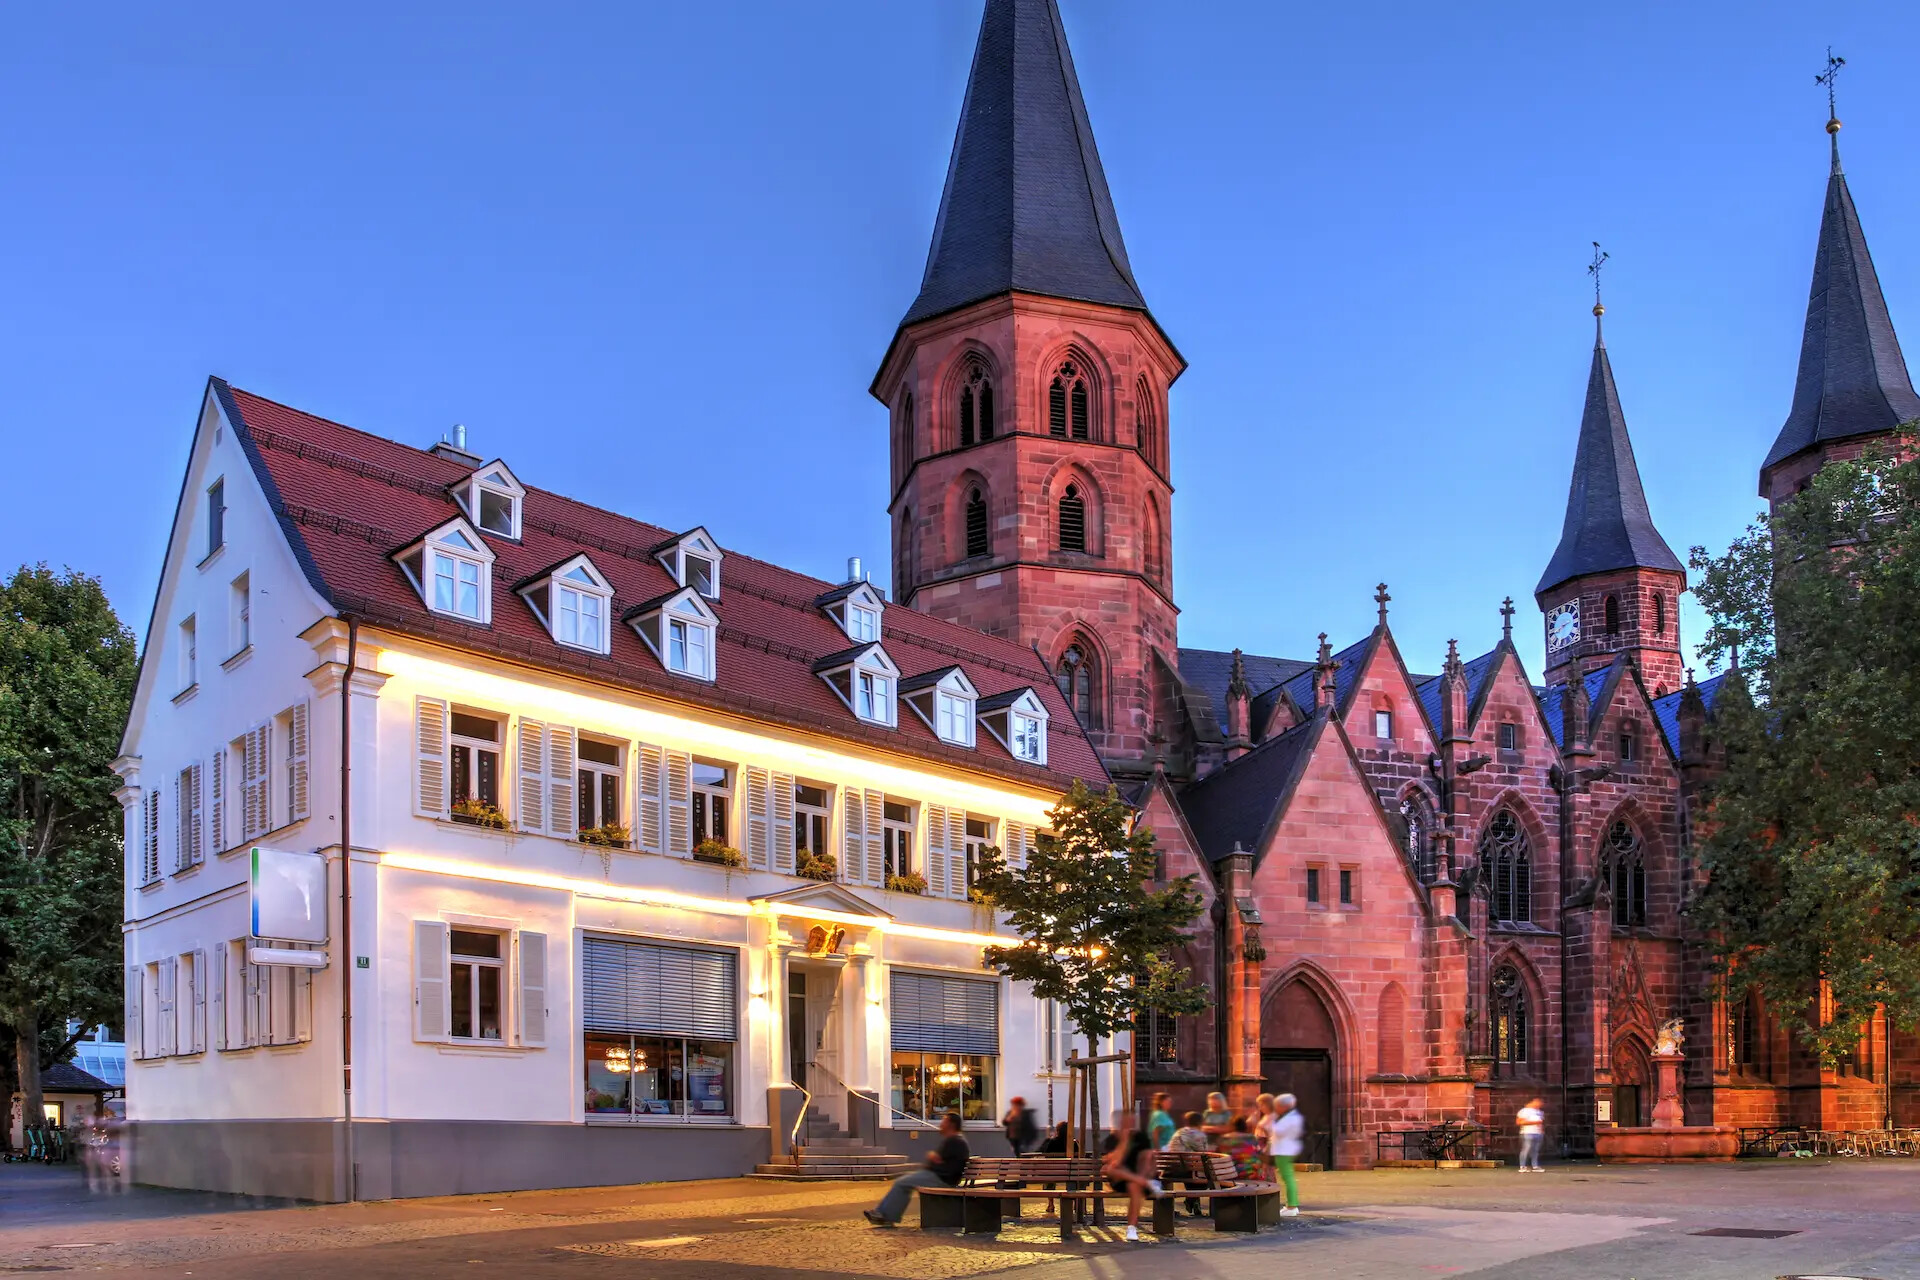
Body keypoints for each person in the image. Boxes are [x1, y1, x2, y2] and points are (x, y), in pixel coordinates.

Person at [865, 1112, 969, 1227]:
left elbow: (941, 1163)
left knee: (902, 1183)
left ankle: (885, 1216)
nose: (941, 1124)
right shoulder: (956, 1140)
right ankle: (883, 1214)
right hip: (940, 1176)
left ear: (951, 1125)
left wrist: (934, 1159)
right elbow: (939, 1160)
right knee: (904, 1182)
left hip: (942, 1179)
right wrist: (935, 1159)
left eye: (943, 1121)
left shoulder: (954, 1141)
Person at [1100, 1118, 1163, 1242]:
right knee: (1111, 1169)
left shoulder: (1141, 1141)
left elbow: (1149, 1161)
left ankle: (1131, 1228)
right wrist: (1124, 1142)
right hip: (1120, 1180)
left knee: (1134, 1186)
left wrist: (1144, 1175)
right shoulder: (1112, 1141)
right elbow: (1112, 1163)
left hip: (1137, 1180)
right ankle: (1146, 1183)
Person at [1165, 1111, 1212, 1216]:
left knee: (1194, 1172)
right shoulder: (1198, 1135)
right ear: (1200, 1122)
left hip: (1169, 1169)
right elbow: (1204, 1153)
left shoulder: (1179, 1132)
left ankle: (1193, 1201)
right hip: (1183, 1170)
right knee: (1207, 1175)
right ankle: (1191, 1200)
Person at [1269, 1093, 1304, 1217]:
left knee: (1288, 1178)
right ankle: (1291, 1205)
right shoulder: (1291, 1117)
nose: (1276, 1108)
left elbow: (1278, 1131)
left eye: (1277, 1106)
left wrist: (1271, 1121)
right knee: (1288, 1177)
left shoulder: (1290, 1118)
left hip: (1284, 1150)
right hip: (1284, 1149)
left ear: (1284, 1106)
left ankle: (1292, 1206)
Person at [1217, 1115, 1264, 1181]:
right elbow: (1260, 1155)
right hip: (1251, 1172)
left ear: (1231, 1126)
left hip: (1232, 1173)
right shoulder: (1251, 1138)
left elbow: (1220, 1158)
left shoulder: (1224, 1139)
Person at [1516, 1098, 1546, 1172]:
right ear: (1533, 1102)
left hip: (1538, 1133)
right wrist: (1534, 1123)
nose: (1540, 1104)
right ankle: (1522, 1166)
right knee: (1526, 1149)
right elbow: (1519, 1122)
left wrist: (1541, 1131)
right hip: (1527, 1133)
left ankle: (1535, 1166)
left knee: (1535, 1150)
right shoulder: (1524, 1111)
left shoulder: (1540, 1112)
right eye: (1538, 1102)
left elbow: (1541, 1122)